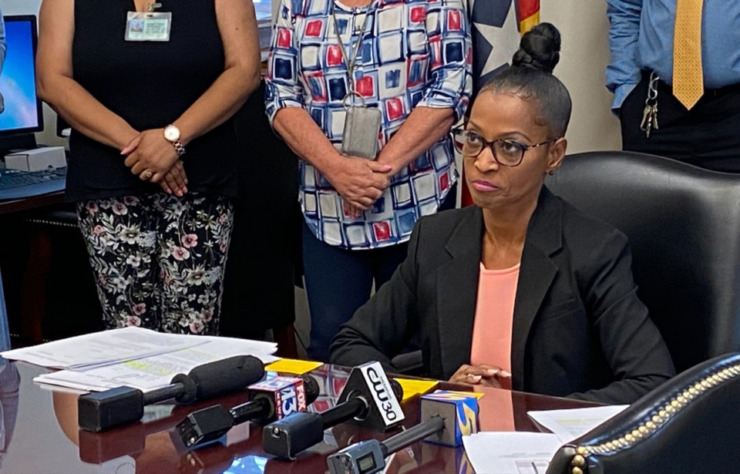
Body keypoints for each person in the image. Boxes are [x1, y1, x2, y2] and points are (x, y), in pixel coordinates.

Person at [331, 23, 675, 404]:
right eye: (474, 139)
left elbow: (651, 382)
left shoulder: (594, 251)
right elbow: (353, 343)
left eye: (510, 147)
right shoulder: (435, 238)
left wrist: (523, 411)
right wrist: (436, 396)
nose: (483, 162)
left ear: (554, 155)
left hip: (547, 452)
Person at [36, 0, 261, 334]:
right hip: (108, 185)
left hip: (199, 185)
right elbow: (52, 81)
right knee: (127, 332)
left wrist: (173, 139)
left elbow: (244, 71)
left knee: (193, 332)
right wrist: (142, 146)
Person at [265, 0, 472, 361]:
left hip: (418, 205)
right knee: (331, 345)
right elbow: (279, 95)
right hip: (328, 209)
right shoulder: (299, 5)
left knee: (420, 348)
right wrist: (337, 169)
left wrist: (375, 173)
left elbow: (452, 86)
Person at [606, 0, 740, 172]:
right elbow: (624, 10)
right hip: (656, 111)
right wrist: (626, 90)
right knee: (648, 196)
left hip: (733, 114)